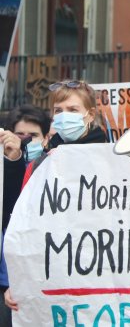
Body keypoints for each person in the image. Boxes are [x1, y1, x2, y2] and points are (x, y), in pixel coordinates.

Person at [4, 80, 107, 311]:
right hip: (52, 274)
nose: (63, 116)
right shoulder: (44, 161)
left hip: (96, 278)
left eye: (72, 110)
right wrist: (20, 281)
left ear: (90, 115)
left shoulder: (111, 159)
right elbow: (25, 222)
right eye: (58, 111)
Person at [0, 104, 51, 326]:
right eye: (20, 135)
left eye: (34, 136)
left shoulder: (54, 166)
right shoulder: (8, 166)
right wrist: (13, 160)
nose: (26, 140)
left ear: (46, 137)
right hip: (7, 277)